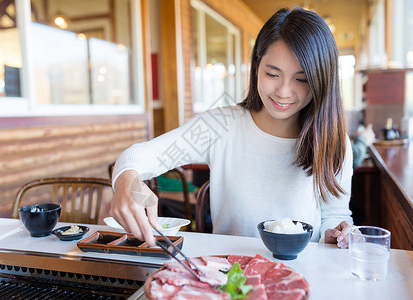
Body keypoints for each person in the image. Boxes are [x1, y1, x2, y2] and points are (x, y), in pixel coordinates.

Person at [110, 7, 354, 249]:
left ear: (322, 81)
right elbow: (138, 157)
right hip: (228, 275)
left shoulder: (334, 141)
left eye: (301, 79)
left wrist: (335, 233)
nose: (283, 91)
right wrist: (128, 183)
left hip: (303, 273)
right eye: (272, 74)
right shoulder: (219, 126)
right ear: (257, 66)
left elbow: (333, 216)